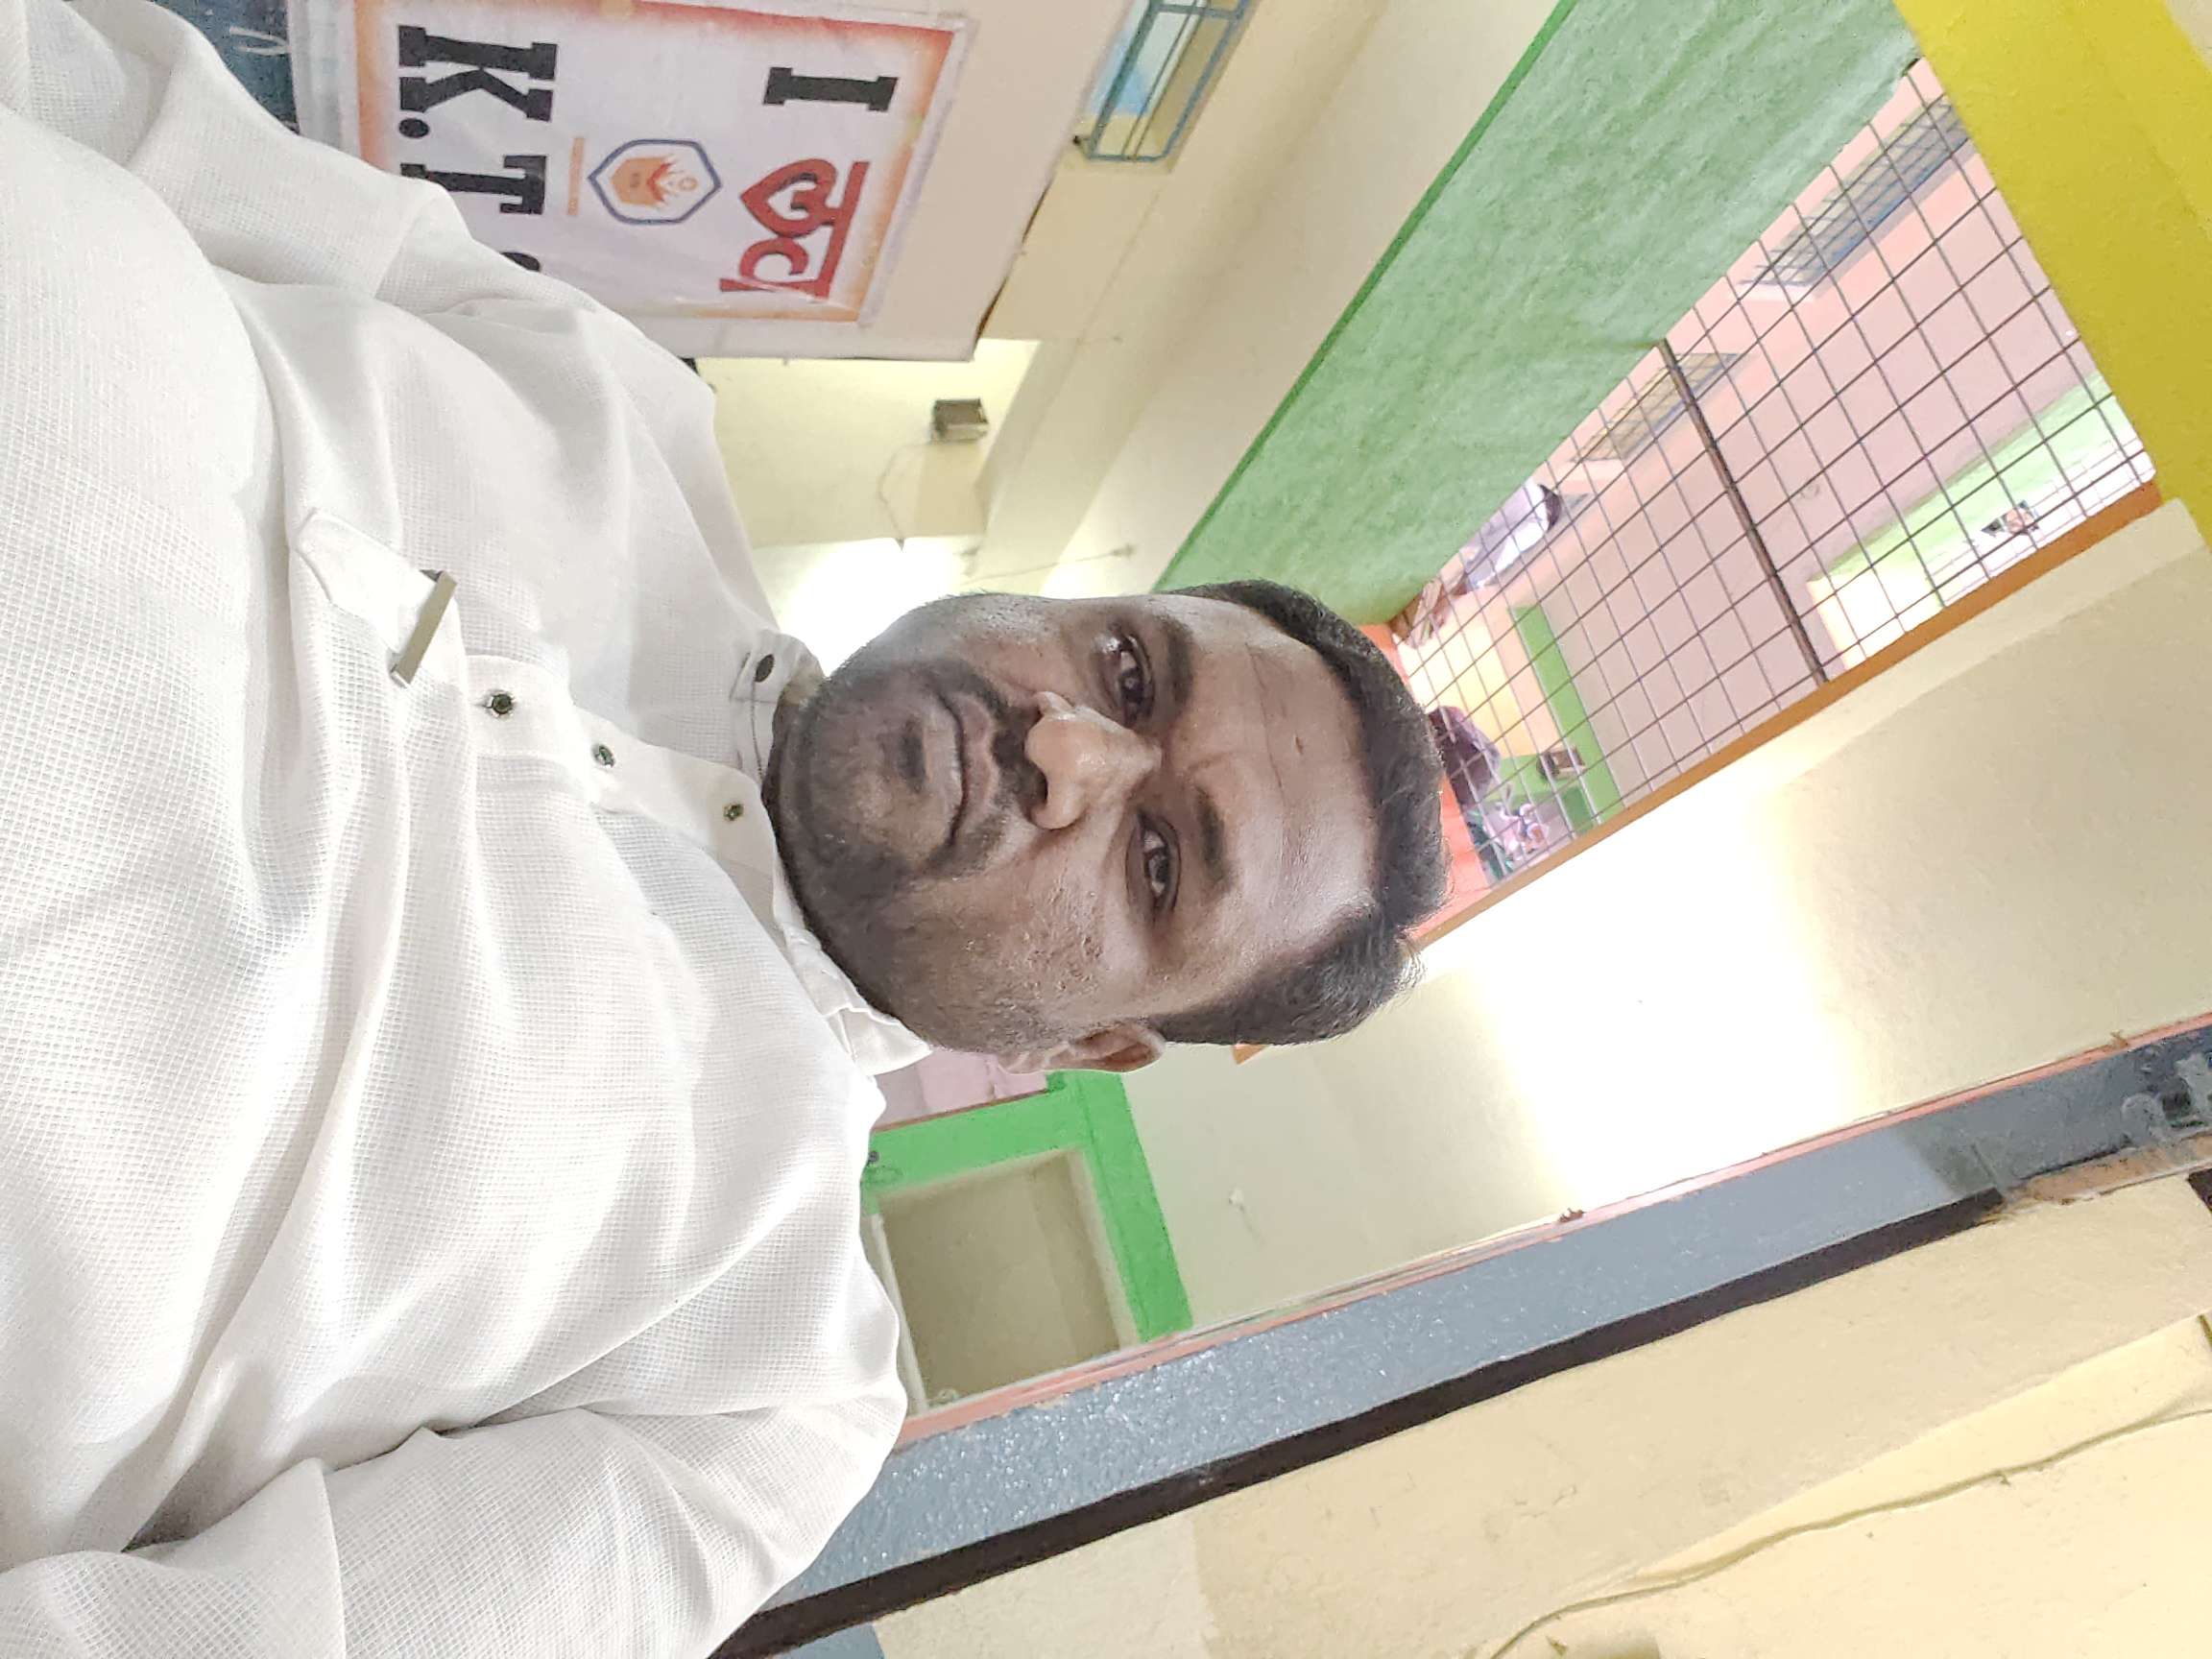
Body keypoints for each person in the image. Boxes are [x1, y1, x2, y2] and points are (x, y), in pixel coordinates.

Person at [0, 2, 1447, 1655]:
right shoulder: (627, 405)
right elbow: (137, 115)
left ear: (1098, 1043)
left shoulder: (759, 1394)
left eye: (1160, 860)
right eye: (1127, 668)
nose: (1064, 747)